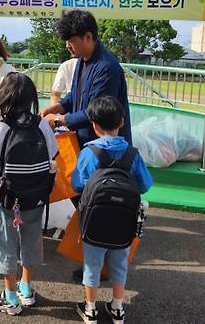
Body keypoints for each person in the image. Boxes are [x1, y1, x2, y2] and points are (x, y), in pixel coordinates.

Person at [0, 73, 58, 316]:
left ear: (5, 96)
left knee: (6, 242)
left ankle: (9, 296)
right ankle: (26, 289)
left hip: (8, 198)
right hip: (37, 197)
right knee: (32, 239)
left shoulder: (0, 127)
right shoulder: (41, 124)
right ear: (30, 98)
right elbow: (53, 154)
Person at [71, 96, 152, 324]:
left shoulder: (89, 153)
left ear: (94, 126)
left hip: (93, 222)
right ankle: (117, 307)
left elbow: (77, 184)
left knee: (92, 264)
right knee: (119, 263)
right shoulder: (132, 154)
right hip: (123, 223)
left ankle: (90, 309)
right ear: (122, 122)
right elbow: (144, 185)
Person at [41, 10, 132, 147]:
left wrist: (59, 120)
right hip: (87, 145)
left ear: (88, 37)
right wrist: (57, 107)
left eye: (71, 41)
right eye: (66, 41)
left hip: (107, 151)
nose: (67, 46)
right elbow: (76, 95)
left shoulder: (106, 67)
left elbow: (97, 111)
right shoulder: (82, 60)